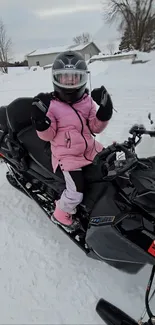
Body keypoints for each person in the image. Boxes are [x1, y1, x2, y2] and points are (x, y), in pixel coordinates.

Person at [31, 50, 113, 231]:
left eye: (74, 78)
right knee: (75, 193)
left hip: (91, 149)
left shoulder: (86, 101)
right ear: (56, 79)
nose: (69, 82)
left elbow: (94, 127)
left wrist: (104, 112)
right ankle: (60, 213)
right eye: (64, 78)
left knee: (116, 167)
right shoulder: (51, 105)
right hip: (68, 156)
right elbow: (48, 136)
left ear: (83, 79)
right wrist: (40, 121)